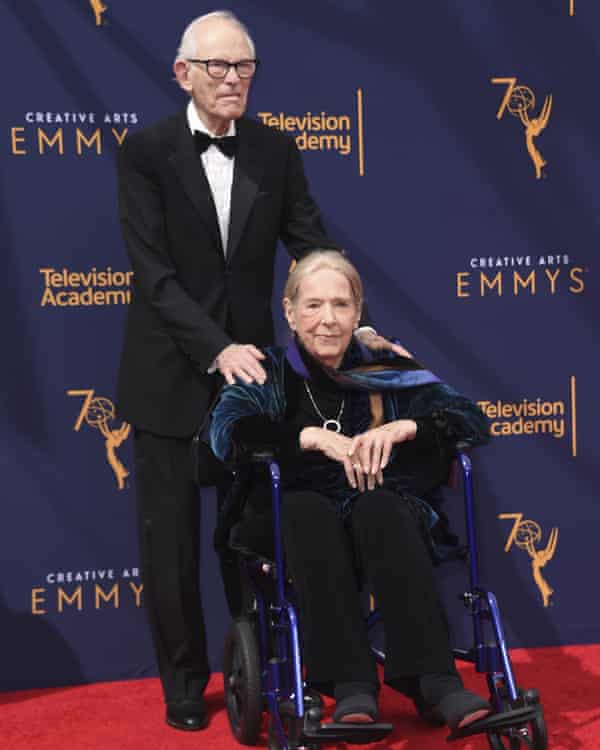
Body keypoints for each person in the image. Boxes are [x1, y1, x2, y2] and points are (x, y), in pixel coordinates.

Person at [116, 11, 404, 732]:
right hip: (169, 377)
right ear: (183, 73)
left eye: (245, 67)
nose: (234, 79)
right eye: (219, 67)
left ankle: (262, 664)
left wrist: (354, 319)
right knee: (172, 542)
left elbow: (309, 243)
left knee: (251, 534)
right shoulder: (145, 151)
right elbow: (154, 276)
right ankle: (184, 683)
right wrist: (215, 347)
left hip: (252, 385)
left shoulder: (276, 150)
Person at [210, 250, 492, 731]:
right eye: (314, 305)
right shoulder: (269, 371)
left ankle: (434, 680)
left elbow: (471, 418)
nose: (327, 319)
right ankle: (350, 686)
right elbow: (225, 432)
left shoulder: (388, 368)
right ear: (289, 310)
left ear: (358, 313)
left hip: (382, 511)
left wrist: (404, 428)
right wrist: (308, 437)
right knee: (307, 513)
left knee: (379, 508)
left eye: (340, 305)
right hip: (296, 516)